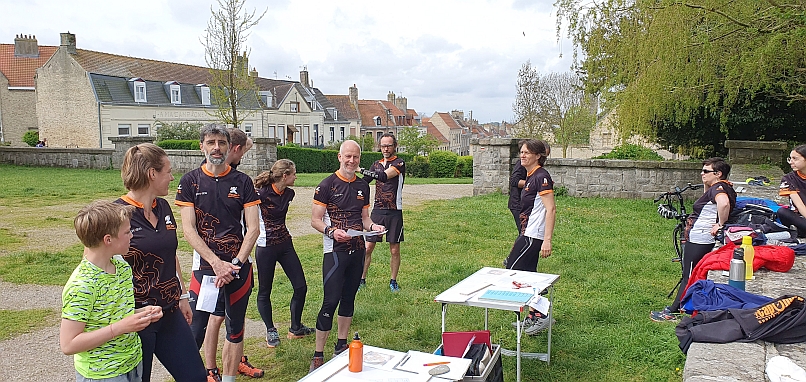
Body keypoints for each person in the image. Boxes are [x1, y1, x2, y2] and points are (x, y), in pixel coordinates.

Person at [176, 124, 262, 382]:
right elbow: (189, 230)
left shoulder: (243, 181)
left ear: (228, 147)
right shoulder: (190, 181)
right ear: (202, 146)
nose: (216, 147)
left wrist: (234, 264)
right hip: (206, 270)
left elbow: (254, 228)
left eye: (221, 143)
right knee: (195, 328)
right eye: (211, 142)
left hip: (238, 268)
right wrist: (216, 264)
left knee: (235, 330)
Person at [115, 143, 206, 382]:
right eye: (168, 171)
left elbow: (169, 254)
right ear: (152, 173)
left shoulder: (163, 206)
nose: (172, 177)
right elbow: (96, 265)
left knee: (195, 376)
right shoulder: (116, 214)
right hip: (136, 317)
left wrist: (183, 296)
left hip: (169, 311)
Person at [61, 200, 163, 382]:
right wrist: (121, 328)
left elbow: (111, 315)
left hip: (132, 363)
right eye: (127, 232)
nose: (132, 235)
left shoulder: (121, 266)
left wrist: (140, 314)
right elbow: (69, 344)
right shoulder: (82, 285)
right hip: (102, 374)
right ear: (108, 239)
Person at [308, 140, 385, 372]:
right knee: (330, 301)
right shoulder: (326, 185)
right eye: (348, 157)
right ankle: (318, 354)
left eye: (356, 157)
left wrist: (374, 227)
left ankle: (341, 345)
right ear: (339, 157)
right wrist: (332, 231)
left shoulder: (363, 186)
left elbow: (365, 218)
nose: (352, 161)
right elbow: (315, 220)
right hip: (335, 250)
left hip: (357, 249)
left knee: (349, 299)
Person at [651, 157, 736, 322]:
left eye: (706, 171)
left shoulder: (719, 188)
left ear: (718, 174)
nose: (701, 173)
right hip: (701, 236)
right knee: (694, 273)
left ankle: (673, 312)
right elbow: (710, 201)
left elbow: (723, 204)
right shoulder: (722, 186)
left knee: (688, 275)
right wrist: (707, 184)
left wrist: (720, 223)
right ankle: (689, 306)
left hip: (701, 237)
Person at [254, 159, 315, 348]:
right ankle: (270, 329)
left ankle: (295, 328)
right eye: (294, 174)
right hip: (265, 246)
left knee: (301, 286)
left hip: (285, 244)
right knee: (265, 290)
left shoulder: (290, 193)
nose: (296, 177)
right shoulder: (260, 194)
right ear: (285, 175)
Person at [504, 139, 556, 336]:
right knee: (530, 275)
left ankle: (542, 315)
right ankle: (536, 314)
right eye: (521, 152)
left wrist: (547, 240)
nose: (522, 156)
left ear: (538, 156)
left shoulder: (541, 177)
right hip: (527, 233)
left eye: (527, 153)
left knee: (512, 272)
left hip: (533, 236)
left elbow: (551, 209)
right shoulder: (531, 176)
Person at [359, 133, 406, 292]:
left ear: (395, 146)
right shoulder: (376, 164)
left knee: (394, 249)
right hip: (377, 210)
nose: (386, 148)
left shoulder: (399, 163)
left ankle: (393, 281)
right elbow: (365, 182)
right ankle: (361, 279)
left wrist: (361, 169)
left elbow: (384, 177)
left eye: (389, 145)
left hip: (394, 211)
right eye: (383, 145)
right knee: (367, 247)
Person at [777, 144, 806, 237]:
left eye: (795, 159)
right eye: (790, 158)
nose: (791, 162)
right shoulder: (788, 179)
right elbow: (799, 205)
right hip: (800, 216)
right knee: (782, 212)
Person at [508, 149, 527, 233]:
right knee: (524, 232)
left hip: (525, 204)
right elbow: (514, 181)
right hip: (517, 203)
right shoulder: (521, 164)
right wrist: (533, 183)